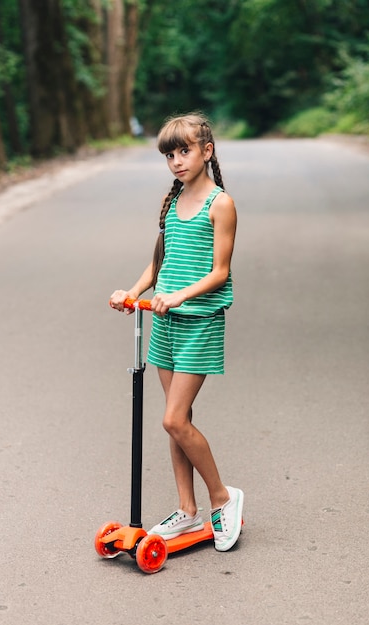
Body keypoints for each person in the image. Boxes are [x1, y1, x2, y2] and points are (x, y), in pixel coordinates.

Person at [110, 112, 244, 552]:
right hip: (164, 323)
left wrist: (181, 296)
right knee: (177, 423)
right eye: (170, 154)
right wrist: (132, 292)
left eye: (184, 151)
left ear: (207, 151)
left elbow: (220, 273)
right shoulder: (172, 202)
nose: (176, 161)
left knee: (172, 418)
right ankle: (187, 511)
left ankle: (223, 498)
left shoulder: (219, 204)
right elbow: (160, 262)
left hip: (199, 323)